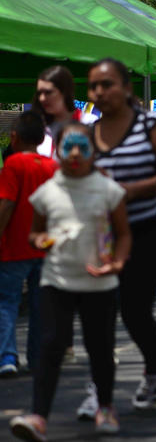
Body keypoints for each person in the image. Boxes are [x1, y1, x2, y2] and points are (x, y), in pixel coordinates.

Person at [9, 122, 131, 440]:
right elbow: (35, 232)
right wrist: (41, 241)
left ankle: (104, 406)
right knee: (51, 345)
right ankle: (38, 416)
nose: (75, 153)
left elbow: (124, 233)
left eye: (83, 146)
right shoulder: (47, 191)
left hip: (99, 283)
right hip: (56, 279)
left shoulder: (107, 189)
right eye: (68, 146)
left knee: (100, 347)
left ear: (93, 152)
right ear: (58, 151)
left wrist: (116, 262)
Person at [88, 58, 156, 411]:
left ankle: (154, 368)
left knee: (134, 311)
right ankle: (99, 389)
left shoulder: (150, 126)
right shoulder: (88, 133)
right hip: (99, 235)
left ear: (126, 88)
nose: (99, 92)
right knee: (98, 315)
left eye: (107, 84)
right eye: (94, 86)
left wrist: (134, 189)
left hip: (144, 231)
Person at [0, 111, 58, 377]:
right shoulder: (51, 167)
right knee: (40, 305)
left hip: (13, 248)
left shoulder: (12, 166)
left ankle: (7, 356)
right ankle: (37, 358)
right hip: (44, 248)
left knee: (7, 302)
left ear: (14, 137)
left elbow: (7, 204)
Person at [32, 66, 96, 158]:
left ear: (65, 92)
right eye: (39, 93)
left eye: (48, 92)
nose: (42, 98)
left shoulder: (89, 122)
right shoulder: (38, 127)